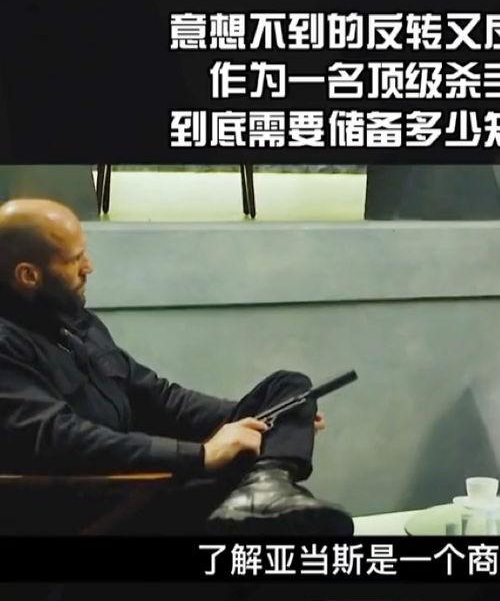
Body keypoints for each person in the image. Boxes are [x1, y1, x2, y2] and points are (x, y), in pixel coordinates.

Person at [0, 198, 354, 535]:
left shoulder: (75, 321)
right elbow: (60, 438)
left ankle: (265, 485)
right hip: (92, 500)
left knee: (289, 388)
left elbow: (158, 398)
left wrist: (267, 418)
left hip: (140, 479)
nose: (89, 267)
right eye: (75, 259)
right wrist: (201, 456)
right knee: (297, 523)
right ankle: (264, 490)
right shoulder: (6, 344)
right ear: (29, 275)